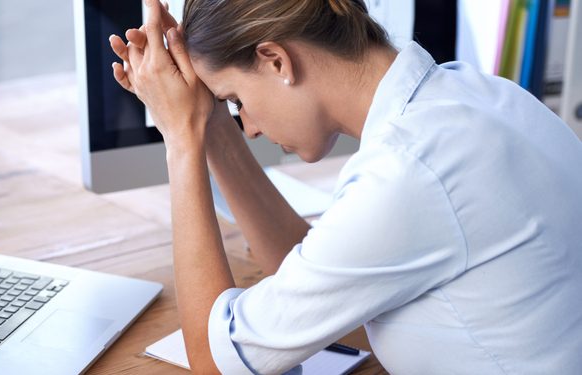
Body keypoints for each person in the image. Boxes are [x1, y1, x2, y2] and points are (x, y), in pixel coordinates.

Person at [109, 0, 582, 373]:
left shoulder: (407, 170)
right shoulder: (473, 95)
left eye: (235, 102)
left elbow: (216, 361)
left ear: (276, 60)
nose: (246, 128)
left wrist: (180, 139)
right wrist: (209, 125)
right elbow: (307, 272)